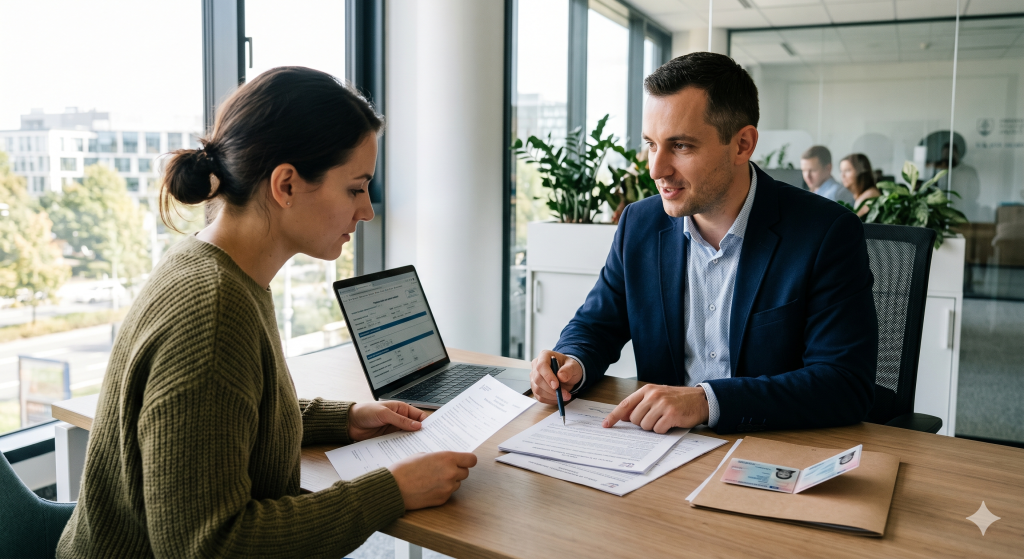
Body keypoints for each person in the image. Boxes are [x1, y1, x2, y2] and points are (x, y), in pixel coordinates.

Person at [57, 67, 477, 559]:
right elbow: (209, 546)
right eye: (355, 188)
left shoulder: (214, 267)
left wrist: (346, 420)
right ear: (286, 184)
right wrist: (391, 491)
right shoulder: (213, 312)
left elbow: (223, 418)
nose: (366, 211)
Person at [530, 52, 877, 435]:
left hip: (769, 448)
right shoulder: (639, 224)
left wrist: (706, 401)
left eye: (681, 146)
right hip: (659, 452)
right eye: (651, 144)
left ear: (742, 144)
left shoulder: (825, 233)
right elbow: (597, 324)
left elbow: (844, 383)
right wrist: (572, 362)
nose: (656, 169)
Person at [839, 153, 880, 217]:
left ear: (860, 172)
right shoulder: (859, 196)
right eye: (841, 171)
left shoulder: (869, 196)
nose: (842, 175)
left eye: (847, 170)